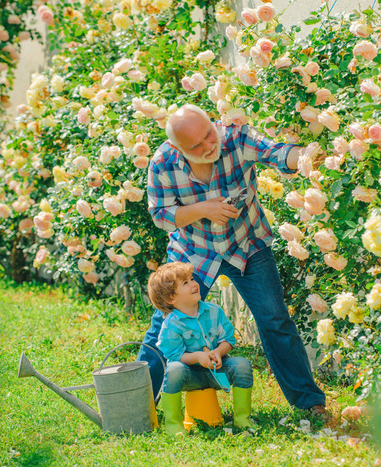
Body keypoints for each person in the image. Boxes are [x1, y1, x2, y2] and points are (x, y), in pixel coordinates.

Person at [137, 104, 327, 418]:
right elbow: (161, 215)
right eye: (196, 146)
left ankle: (310, 403)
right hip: (192, 253)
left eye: (209, 135)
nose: (209, 146)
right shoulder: (163, 163)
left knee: (275, 321)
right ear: (176, 147)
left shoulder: (237, 138)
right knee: (163, 325)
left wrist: (306, 156)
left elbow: (277, 153)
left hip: (247, 244)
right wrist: (204, 209)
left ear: (213, 124)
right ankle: (139, 409)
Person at [148, 262, 253, 435]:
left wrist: (219, 352)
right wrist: (197, 357)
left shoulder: (214, 311)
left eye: (191, 279)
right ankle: (173, 423)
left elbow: (228, 339)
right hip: (190, 375)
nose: (194, 284)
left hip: (217, 371)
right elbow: (174, 354)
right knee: (173, 369)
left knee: (242, 364)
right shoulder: (171, 324)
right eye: (185, 283)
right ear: (171, 299)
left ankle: (242, 419)